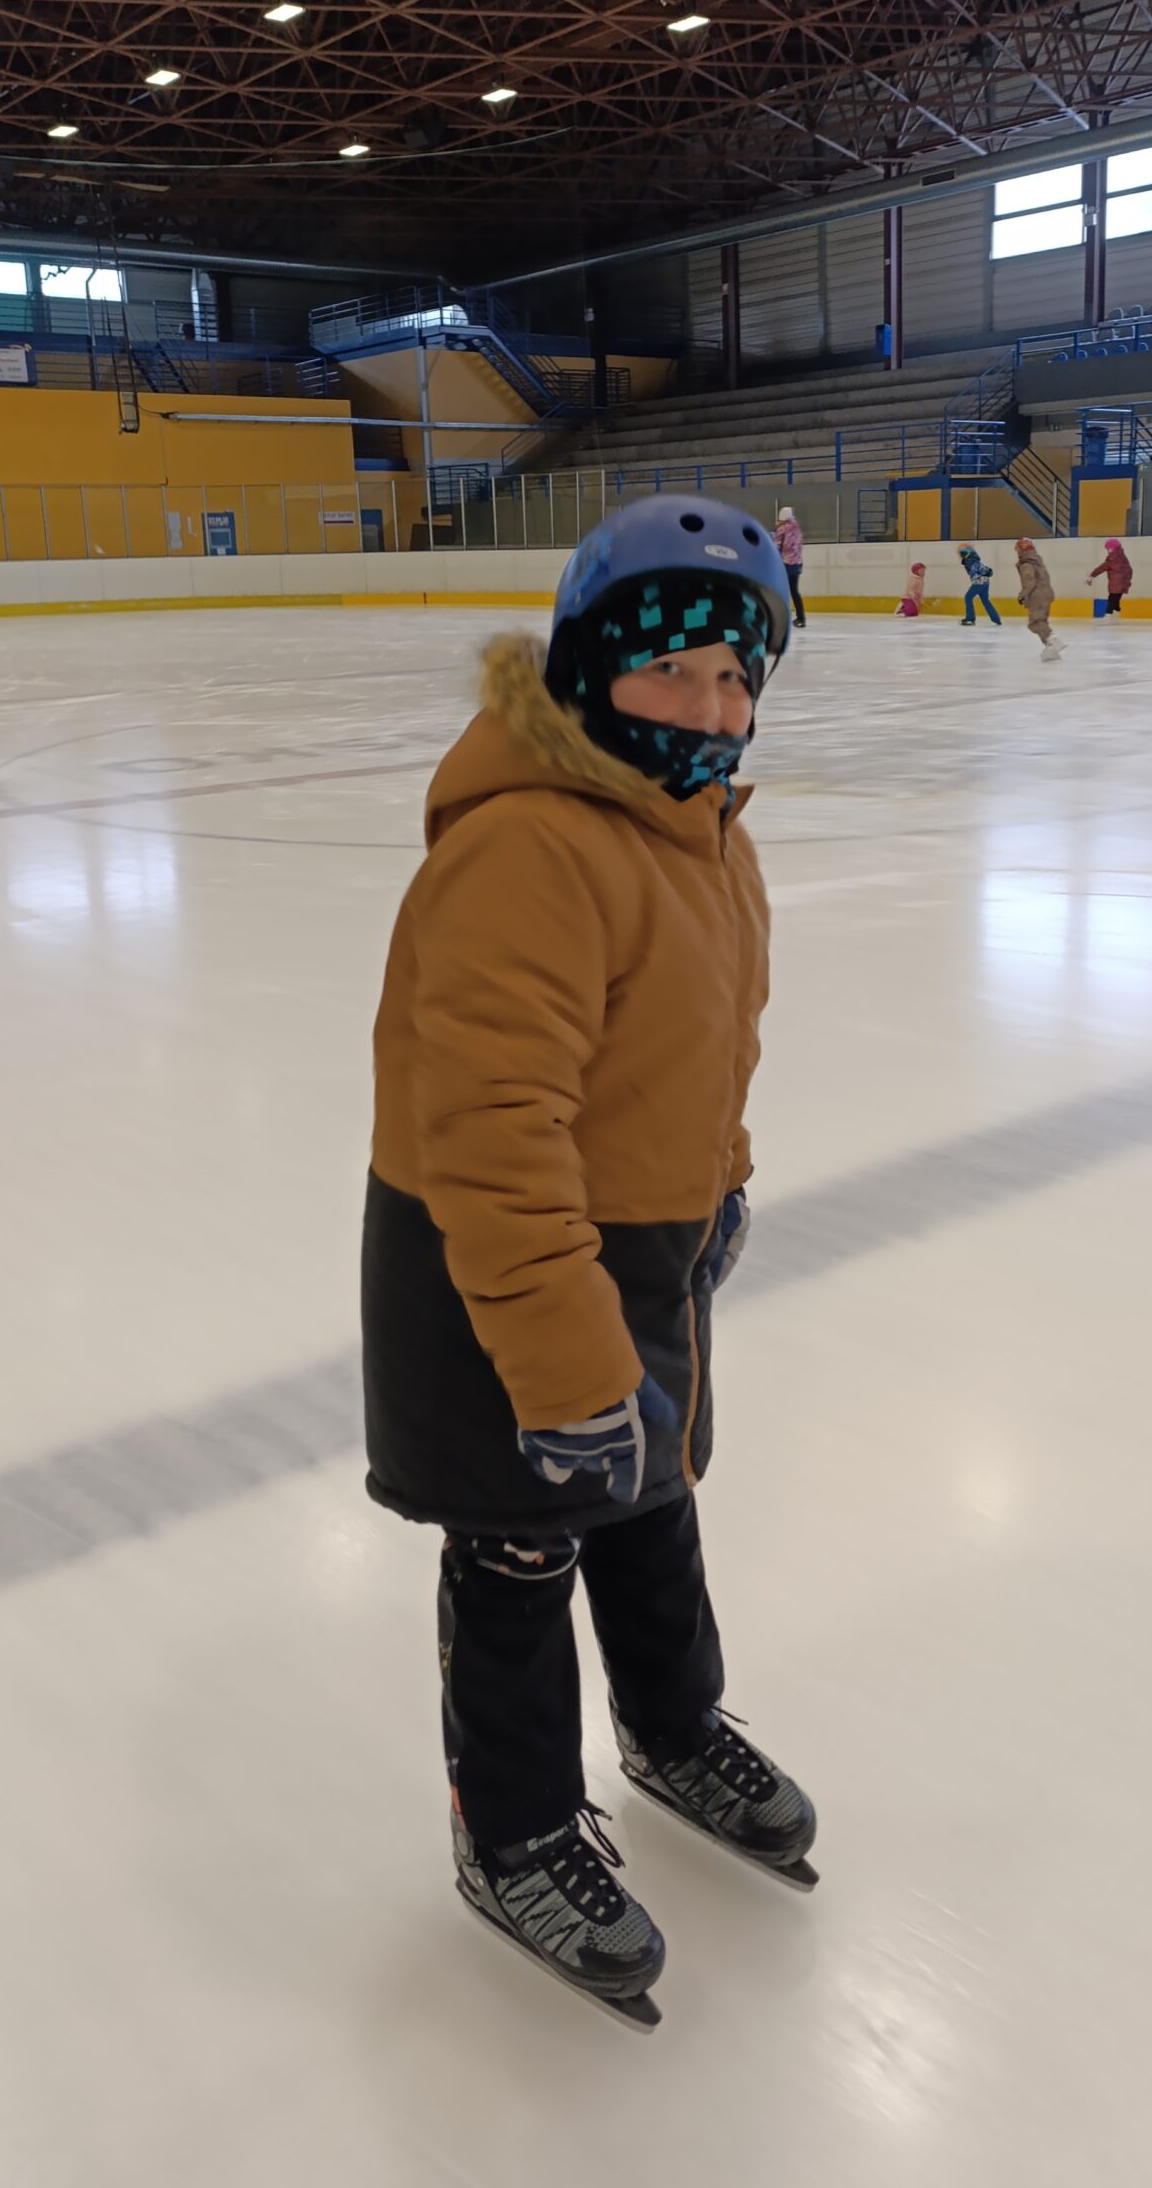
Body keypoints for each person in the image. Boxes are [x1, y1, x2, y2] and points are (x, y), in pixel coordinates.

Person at [361, 493, 816, 2031]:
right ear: (586, 668)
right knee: (521, 1547)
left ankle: (673, 1729)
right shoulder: (529, 848)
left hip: (638, 1243)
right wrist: (560, 1362)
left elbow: (713, 1048)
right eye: (670, 668)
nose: (710, 707)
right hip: (501, 1269)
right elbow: (493, 1129)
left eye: (735, 676)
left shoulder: (706, 835)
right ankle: (513, 1832)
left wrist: (721, 1186)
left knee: (651, 1496)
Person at [1013, 536, 1063, 661]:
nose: (1017, 552)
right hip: (1046, 594)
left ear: (1023, 549)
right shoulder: (1037, 561)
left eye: (1018, 549)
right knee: (1041, 621)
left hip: (1037, 595)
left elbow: (1029, 580)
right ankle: (1051, 648)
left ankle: (1053, 640)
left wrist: (1022, 594)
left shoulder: (1026, 563)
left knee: (1034, 623)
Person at [772, 505, 807, 629]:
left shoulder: (782, 529)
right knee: (794, 591)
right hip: (797, 563)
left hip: (785, 564)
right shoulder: (797, 529)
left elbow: (776, 546)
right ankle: (801, 618)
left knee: (781, 591)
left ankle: (782, 618)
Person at [957, 543, 1001, 626]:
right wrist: (988, 571)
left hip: (979, 582)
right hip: (985, 582)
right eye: (961, 553)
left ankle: (970, 619)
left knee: (968, 597)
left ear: (968, 552)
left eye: (963, 552)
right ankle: (996, 619)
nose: (962, 555)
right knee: (985, 600)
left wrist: (987, 571)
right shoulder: (973, 559)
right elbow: (983, 569)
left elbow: (979, 568)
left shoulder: (970, 560)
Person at [1088, 537, 1132, 616]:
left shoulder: (1113, 558)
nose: (1108, 551)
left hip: (1116, 583)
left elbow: (1103, 567)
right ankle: (1116, 614)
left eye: (1109, 549)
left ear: (1113, 548)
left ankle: (1108, 615)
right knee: (1116, 599)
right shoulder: (1122, 556)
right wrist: (1127, 580)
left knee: (1112, 598)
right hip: (1123, 582)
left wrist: (1092, 575)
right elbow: (1129, 570)